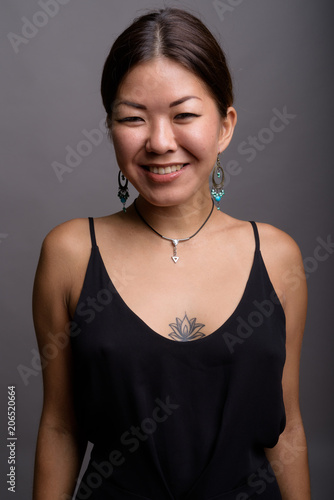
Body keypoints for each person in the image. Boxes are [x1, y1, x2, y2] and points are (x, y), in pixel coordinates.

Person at [32, 8, 311, 500]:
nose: (160, 142)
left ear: (225, 126)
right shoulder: (70, 253)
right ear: (111, 127)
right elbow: (60, 426)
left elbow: (286, 428)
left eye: (184, 115)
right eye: (133, 118)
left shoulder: (277, 256)